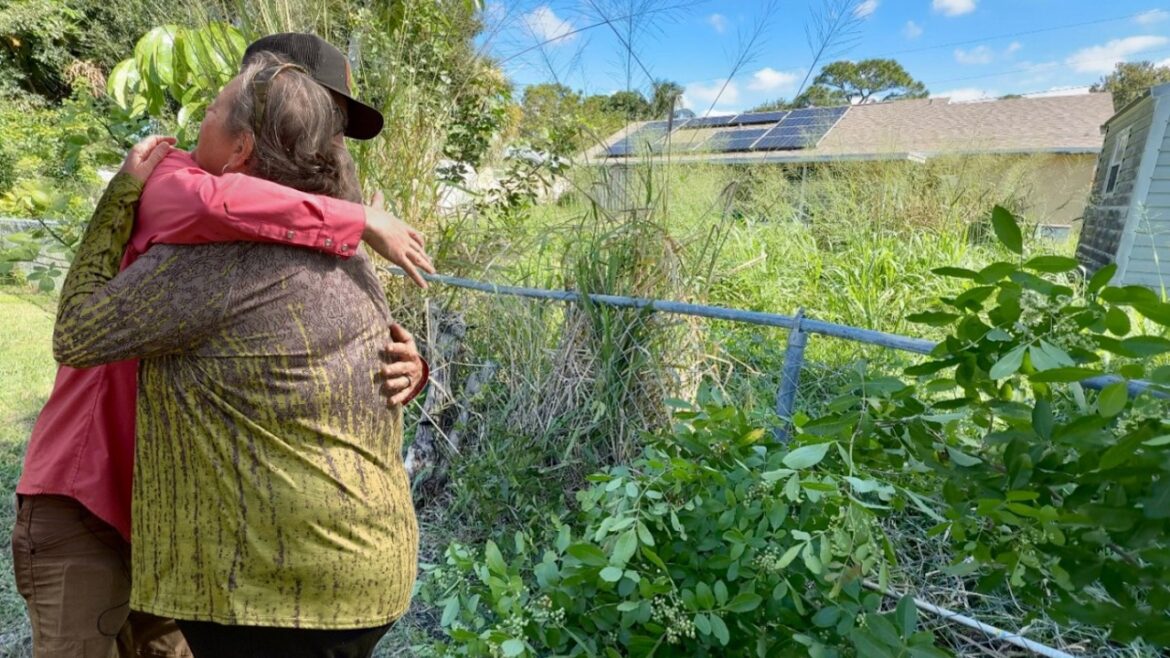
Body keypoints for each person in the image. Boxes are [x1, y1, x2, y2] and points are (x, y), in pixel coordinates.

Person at [11, 35, 429, 658]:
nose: (330, 142)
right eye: (318, 114)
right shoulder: (180, 192)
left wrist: (409, 365)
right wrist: (358, 220)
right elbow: (220, 203)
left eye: (336, 127)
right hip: (93, 490)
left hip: (183, 522)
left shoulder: (316, 240)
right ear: (253, 131)